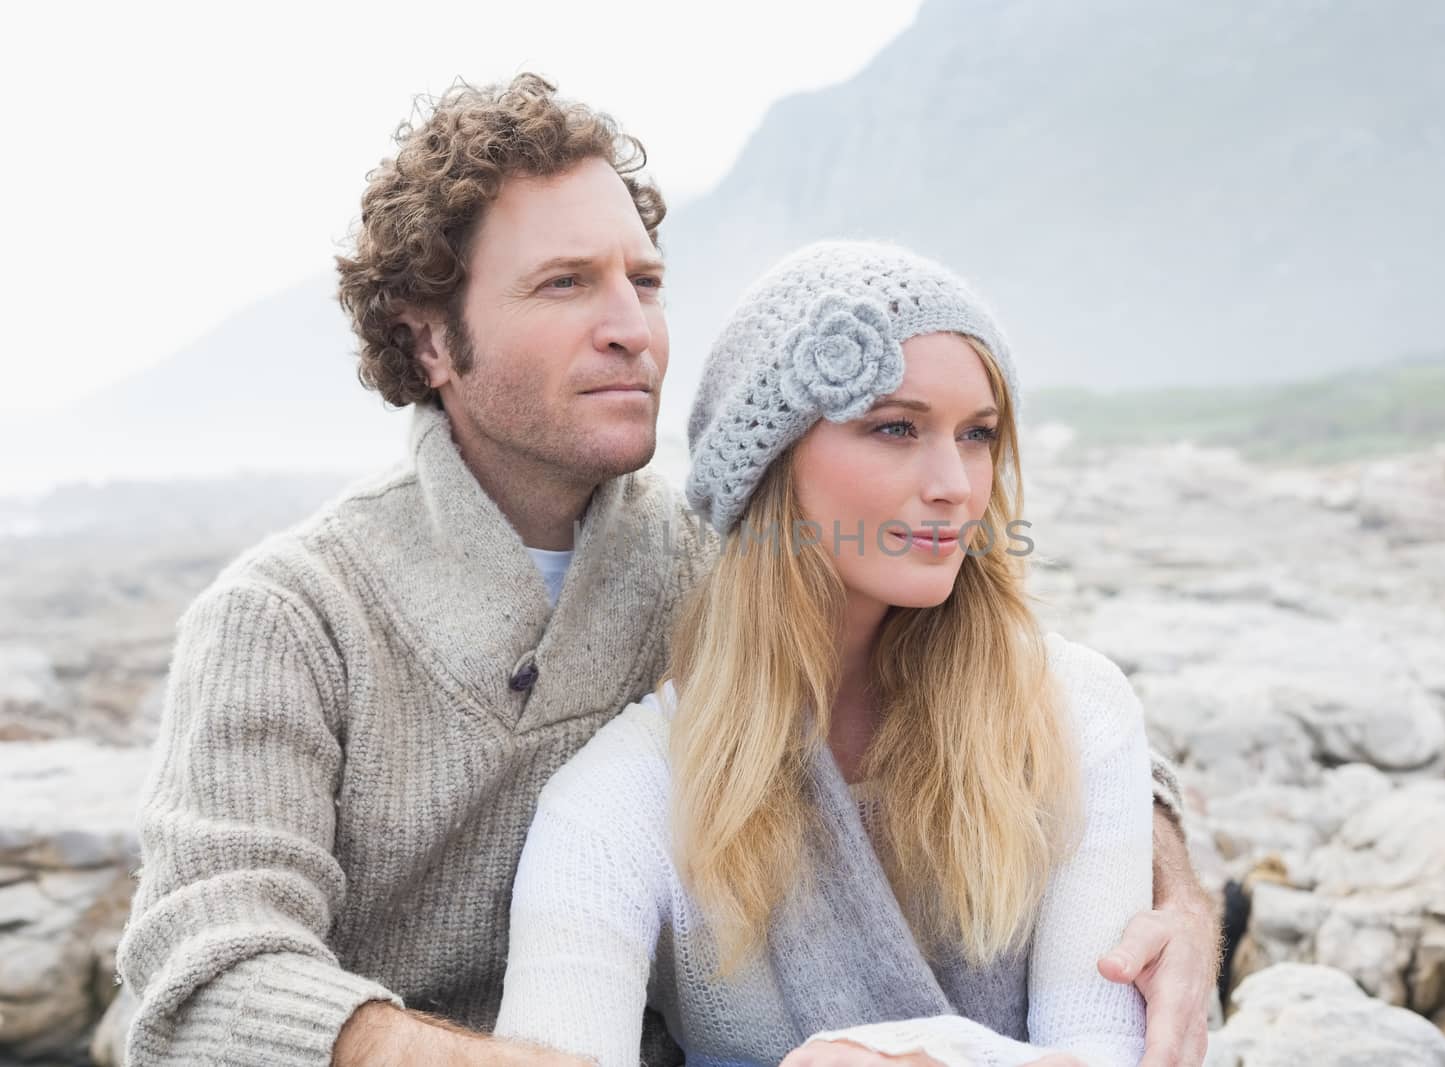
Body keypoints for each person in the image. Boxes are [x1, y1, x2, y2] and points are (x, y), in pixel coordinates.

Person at [114, 75, 1218, 1067]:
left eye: (644, 281)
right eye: (565, 285)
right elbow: (206, 976)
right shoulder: (292, 614)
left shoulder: (730, 558)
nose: (630, 327)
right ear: (431, 342)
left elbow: (1044, 705)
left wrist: (1174, 894)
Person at [494, 241, 1162, 1067]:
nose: (955, 482)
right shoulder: (623, 798)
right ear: (771, 465)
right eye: (895, 427)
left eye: (978, 434)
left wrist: (915, 1058)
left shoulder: (1074, 712)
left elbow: (1112, 1049)